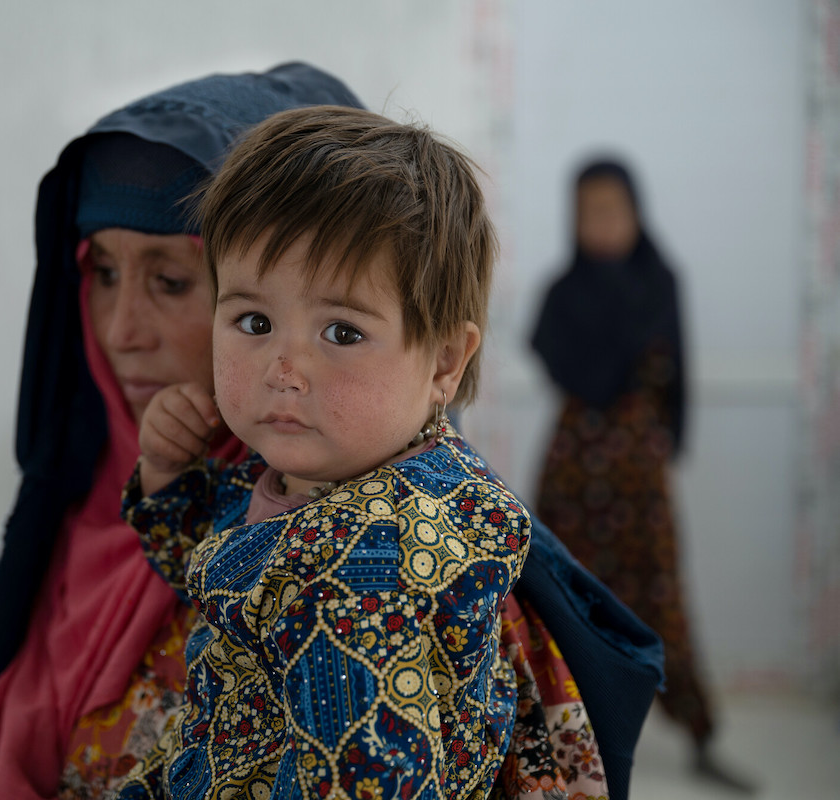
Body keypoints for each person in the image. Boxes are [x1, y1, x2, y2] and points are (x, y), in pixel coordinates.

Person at [114, 107, 641, 800]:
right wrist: (166, 474)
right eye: (254, 321)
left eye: (341, 332)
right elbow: (220, 576)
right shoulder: (317, 472)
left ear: (444, 361)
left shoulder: (365, 569)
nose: (284, 367)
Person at [0, 64, 366, 800]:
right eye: (102, 272)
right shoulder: (83, 513)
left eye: (170, 281)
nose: (120, 330)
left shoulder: (378, 565)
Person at [530, 159, 750, 792]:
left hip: (636, 472)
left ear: (635, 211)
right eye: (588, 212)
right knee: (560, 595)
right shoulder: (563, 291)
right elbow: (564, 364)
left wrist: (665, 449)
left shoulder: (659, 282)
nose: (600, 224)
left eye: (612, 210)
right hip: (573, 467)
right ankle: (561, 739)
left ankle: (702, 735)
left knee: (662, 602)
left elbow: (677, 373)